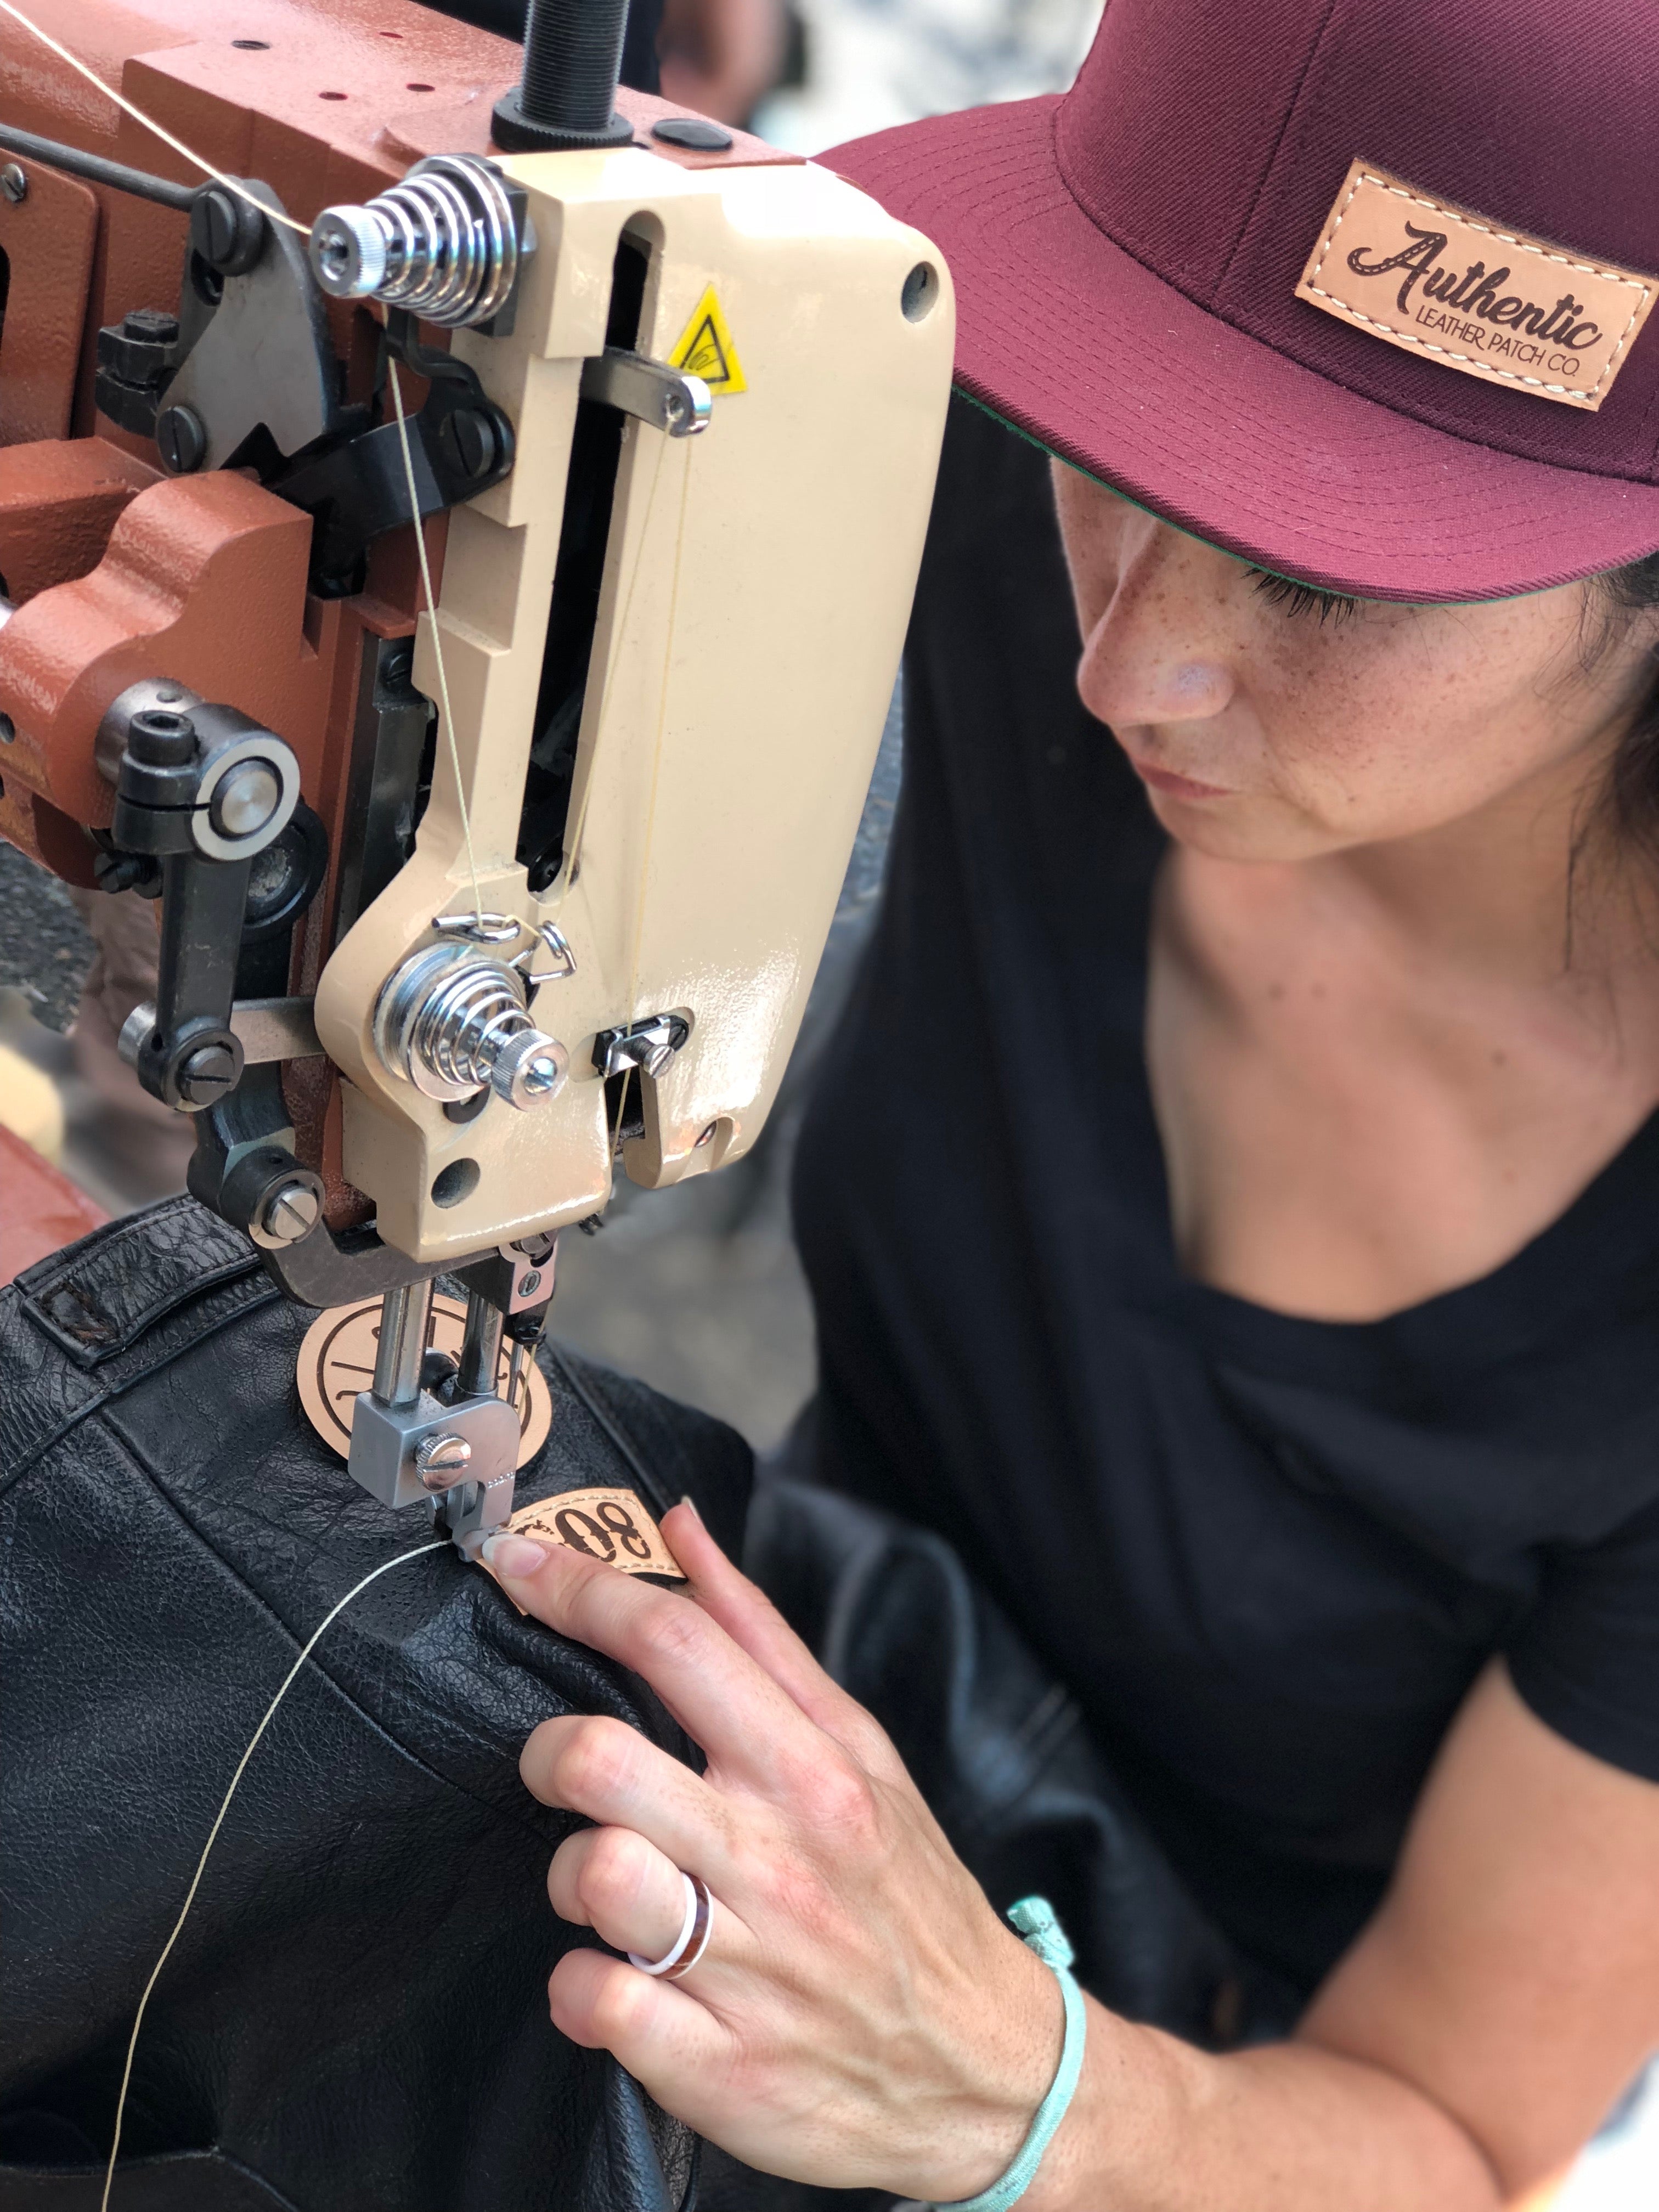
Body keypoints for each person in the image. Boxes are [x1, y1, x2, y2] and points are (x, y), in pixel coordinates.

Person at [474, 2, 1659, 2207]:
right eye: (1103, 444)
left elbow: (1448, 2128)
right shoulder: (1007, 561)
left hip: (1234, 2087)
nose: (1131, 663)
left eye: (1320, 568)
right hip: (821, 1662)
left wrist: (1013, 2093)